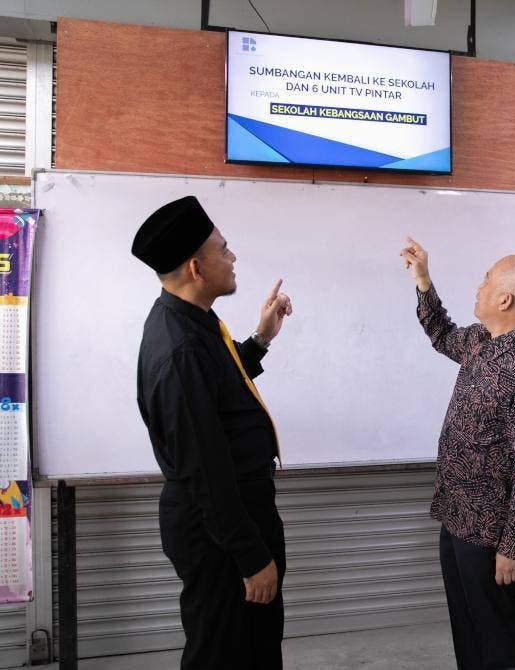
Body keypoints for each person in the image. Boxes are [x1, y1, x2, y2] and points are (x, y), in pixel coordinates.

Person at [132, 195, 293, 669]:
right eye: (223, 250)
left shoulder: (191, 321)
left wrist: (261, 338)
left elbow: (222, 384)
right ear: (196, 269)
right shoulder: (179, 349)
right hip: (220, 532)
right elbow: (205, 470)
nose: (233, 256)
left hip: (235, 517)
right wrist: (250, 556)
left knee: (254, 644)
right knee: (223, 650)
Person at [400, 237, 515, 670]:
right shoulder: (480, 341)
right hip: (456, 514)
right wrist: (423, 280)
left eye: (486, 279)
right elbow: (440, 333)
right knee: (467, 626)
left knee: (498, 634)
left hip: (490, 532)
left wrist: (513, 545)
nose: (479, 285)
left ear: (505, 298)